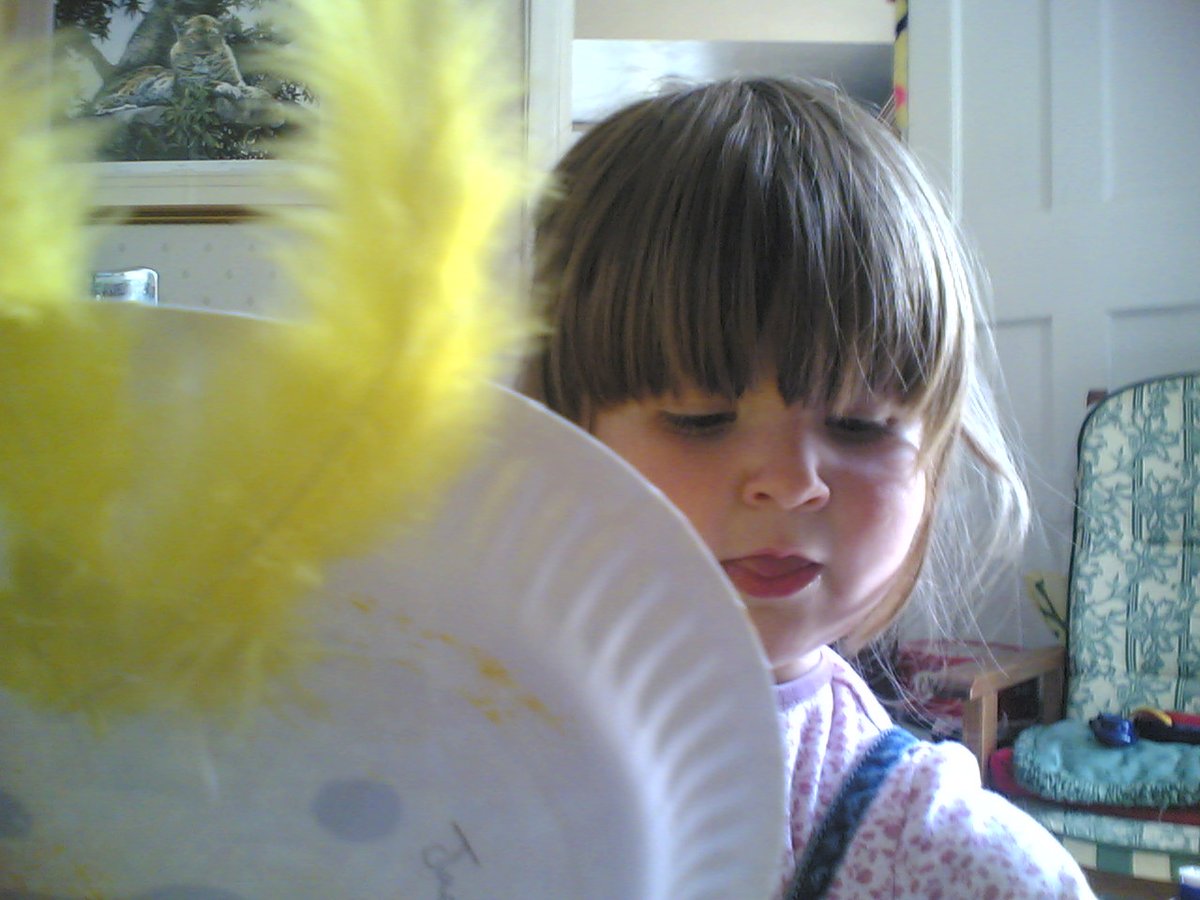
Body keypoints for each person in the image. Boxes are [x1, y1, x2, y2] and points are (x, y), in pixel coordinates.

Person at [522, 78, 1096, 898]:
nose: (793, 485)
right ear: (558, 429)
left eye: (860, 426)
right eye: (700, 418)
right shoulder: (432, 705)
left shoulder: (952, 865)